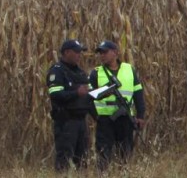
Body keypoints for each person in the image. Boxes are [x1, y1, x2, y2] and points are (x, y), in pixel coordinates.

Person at [89, 40, 146, 170]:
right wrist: (95, 116)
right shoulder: (96, 73)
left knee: (125, 151)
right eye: (100, 53)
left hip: (125, 117)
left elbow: (138, 94)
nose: (102, 55)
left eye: (105, 52)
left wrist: (140, 115)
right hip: (105, 119)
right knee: (104, 152)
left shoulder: (129, 70)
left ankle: (123, 176)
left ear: (115, 52)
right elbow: (89, 97)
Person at [46, 39, 93, 171]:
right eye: (77, 52)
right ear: (66, 52)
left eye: (81, 52)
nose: (79, 55)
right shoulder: (58, 71)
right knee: (64, 158)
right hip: (65, 121)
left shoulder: (80, 72)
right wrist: (76, 93)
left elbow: (86, 96)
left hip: (81, 121)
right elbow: (55, 95)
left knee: (82, 158)